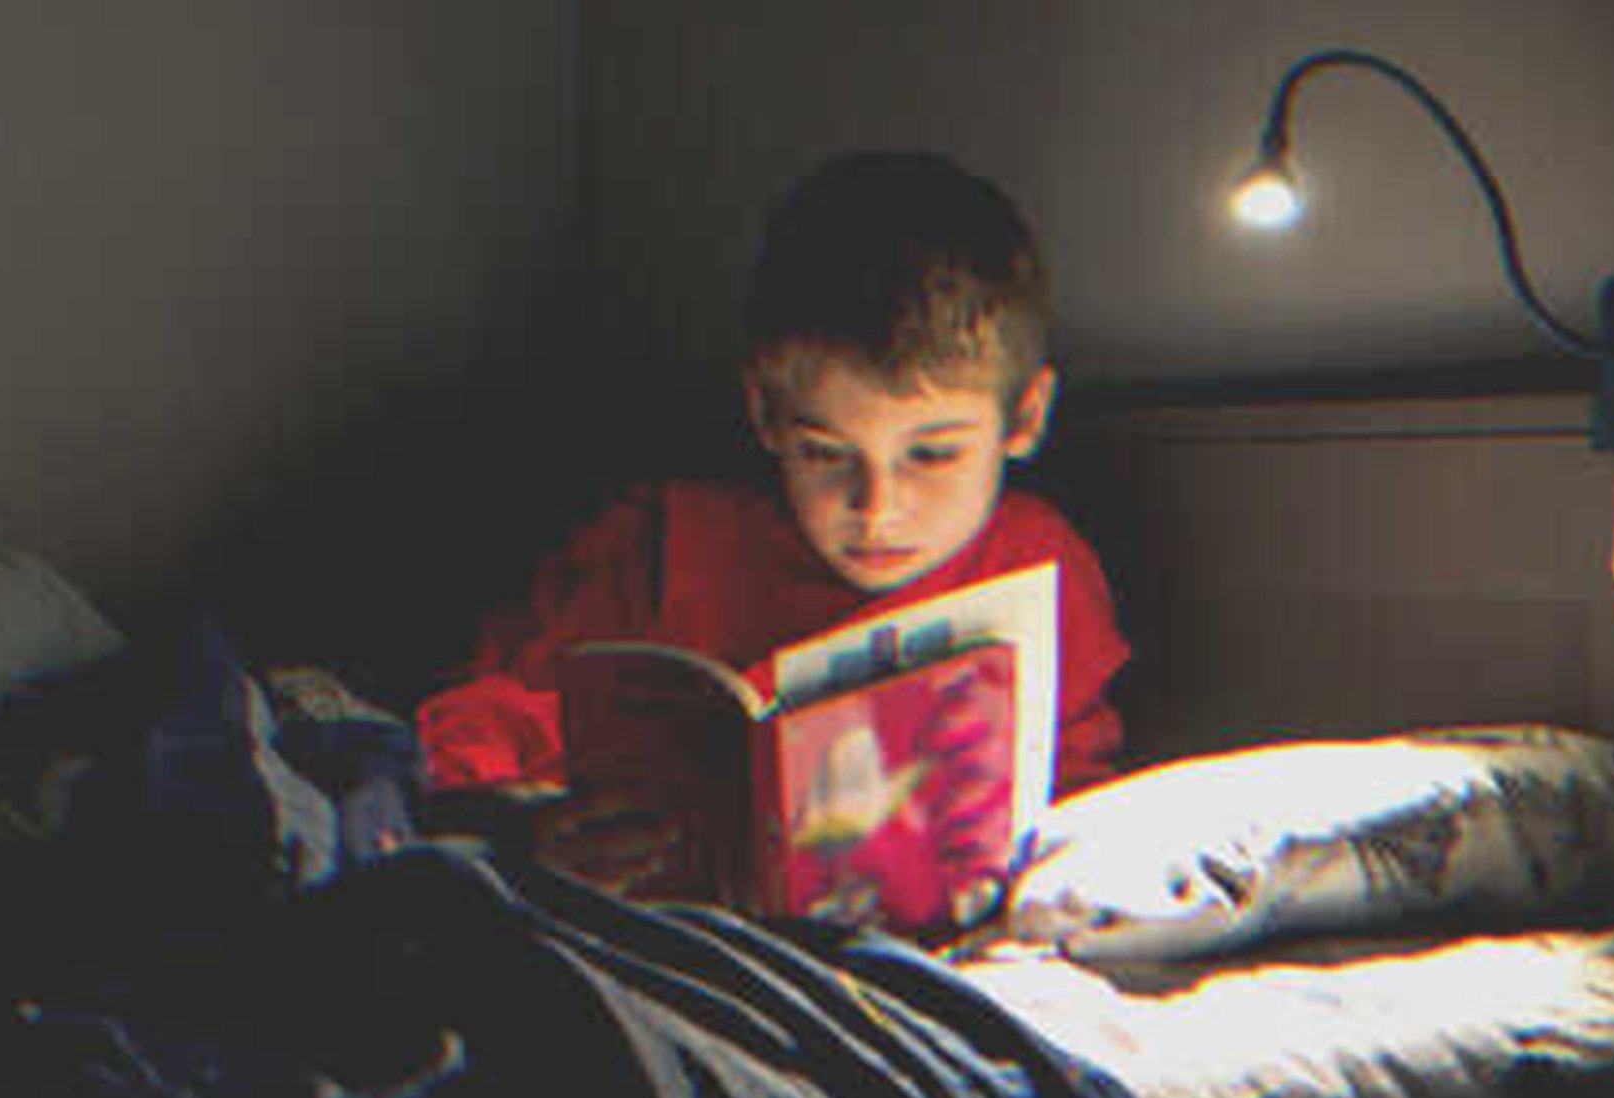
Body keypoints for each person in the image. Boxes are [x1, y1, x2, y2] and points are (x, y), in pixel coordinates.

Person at [415, 151, 1129, 927]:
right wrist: (530, 829)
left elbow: (1079, 783)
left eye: (932, 453)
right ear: (764, 414)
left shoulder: (1038, 562)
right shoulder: (665, 543)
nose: (876, 507)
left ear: (1024, 418)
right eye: (825, 453)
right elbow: (466, 732)